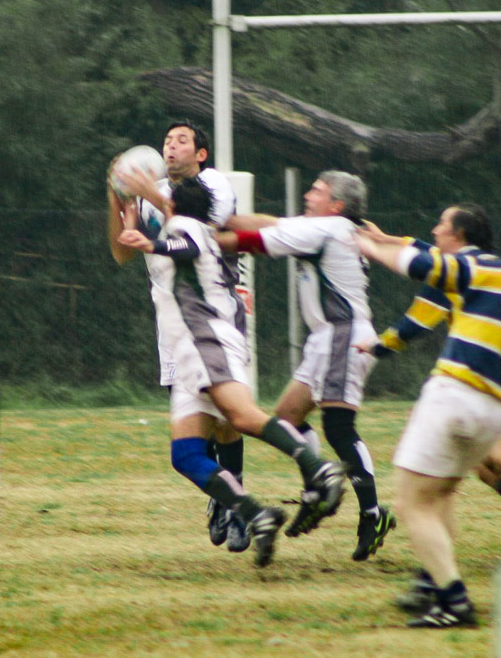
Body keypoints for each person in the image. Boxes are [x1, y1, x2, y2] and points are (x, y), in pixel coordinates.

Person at [358, 214, 501, 629]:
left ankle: (454, 600)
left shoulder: (492, 270)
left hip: (455, 393)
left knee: (412, 504)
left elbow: (423, 265)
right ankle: (432, 583)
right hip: (496, 414)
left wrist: (370, 247)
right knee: (440, 496)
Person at [117, 177, 346, 567]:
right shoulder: (189, 228)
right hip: (191, 349)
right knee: (186, 454)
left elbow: (185, 247)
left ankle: (318, 467)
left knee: (242, 417)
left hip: (206, 340)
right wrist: (134, 221)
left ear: (172, 205)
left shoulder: (186, 226)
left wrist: (151, 242)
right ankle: (256, 513)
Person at [217, 171, 395, 561]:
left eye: (318, 190)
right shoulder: (325, 225)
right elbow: (270, 223)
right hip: (326, 338)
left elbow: (255, 241)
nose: (309, 194)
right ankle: (316, 490)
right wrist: (223, 218)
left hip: (343, 334)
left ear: (337, 205)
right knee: (287, 418)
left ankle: (372, 513)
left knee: (339, 428)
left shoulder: (328, 228)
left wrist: (205, 241)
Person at [107, 121, 250, 551]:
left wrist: (149, 195)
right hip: (172, 320)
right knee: (195, 421)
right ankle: (224, 495)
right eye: (167, 140)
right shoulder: (147, 193)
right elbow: (121, 252)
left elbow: (204, 229)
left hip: (214, 314)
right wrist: (118, 197)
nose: (171, 146)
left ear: (200, 154)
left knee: (225, 417)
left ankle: (236, 500)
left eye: (181, 140)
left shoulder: (213, 184)